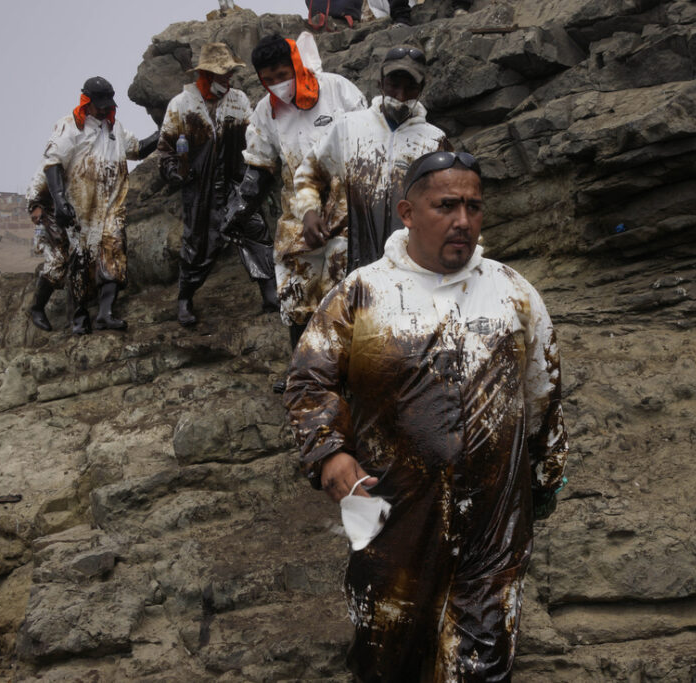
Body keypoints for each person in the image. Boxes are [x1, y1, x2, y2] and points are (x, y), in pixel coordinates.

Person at [284, 151, 569, 681]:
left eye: (473, 207)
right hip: (388, 517)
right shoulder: (361, 293)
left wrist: (546, 479)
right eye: (446, 206)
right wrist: (330, 454)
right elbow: (308, 380)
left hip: (493, 525)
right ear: (407, 212)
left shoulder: (515, 294)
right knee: (386, 655)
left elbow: (543, 396)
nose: (463, 220)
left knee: (481, 663)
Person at [219, 33, 366, 359]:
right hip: (299, 206)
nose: (277, 85)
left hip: (349, 200)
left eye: (282, 75)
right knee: (296, 286)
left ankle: (351, 365)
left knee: (347, 282)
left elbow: (369, 140)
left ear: (296, 65)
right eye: (268, 80)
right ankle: (304, 366)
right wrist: (239, 208)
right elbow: (258, 166)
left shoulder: (336, 89)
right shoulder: (264, 113)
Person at [293, 45, 449, 273]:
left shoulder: (435, 141)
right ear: (380, 83)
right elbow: (308, 174)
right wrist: (308, 212)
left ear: (422, 89)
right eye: (393, 85)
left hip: (410, 260)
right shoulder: (347, 127)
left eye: (410, 88)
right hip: (349, 256)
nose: (400, 96)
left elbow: (447, 203)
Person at [158, 42, 277, 327]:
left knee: (255, 232)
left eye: (229, 75)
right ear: (206, 76)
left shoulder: (238, 100)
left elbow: (254, 139)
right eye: (223, 76)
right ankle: (185, 299)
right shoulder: (181, 105)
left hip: (237, 183)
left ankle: (269, 293)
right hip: (200, 189)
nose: (229, 80)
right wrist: (175, 173)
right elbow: (165, 149)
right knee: (198, 246)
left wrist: (258, 180)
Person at [40, 76, 159, 334]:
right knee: (80, 263)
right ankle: (79, 319)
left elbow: (137, 149)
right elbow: (52, 163)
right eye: (99, 105)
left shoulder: (114, 128)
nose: (104, 109)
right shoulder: (69, 127)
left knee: (114, 256)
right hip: (80, 209)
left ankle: (106, 314)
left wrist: (164, 133)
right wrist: (60, 201)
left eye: (108, 105)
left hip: (111, 208)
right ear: (86, 101)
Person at [25, 162, 68, 331]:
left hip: (74, 218)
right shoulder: (58, 151)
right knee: (57, 262)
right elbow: (38, 181)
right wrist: (35, 206)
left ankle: (77, 316)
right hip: (50, 220)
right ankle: (37, 308)